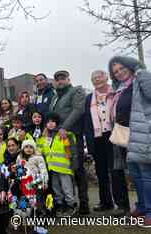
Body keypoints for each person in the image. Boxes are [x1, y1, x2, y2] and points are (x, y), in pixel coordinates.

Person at [111, 56, 151, 227]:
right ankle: (142, 207)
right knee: (135, 174)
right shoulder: (120, 88)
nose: (119, 73)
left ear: (129, 66)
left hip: (142, 133)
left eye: (121, 68)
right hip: (126, 136)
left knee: (146, 174)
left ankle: (150, 211)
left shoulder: (140, 79)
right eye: (115, 71)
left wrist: (140, 70)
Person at [49, 70, 89, 214]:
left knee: (77, 169)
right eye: (57, 79)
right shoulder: (54, 98)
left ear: (68, 79)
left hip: (71, 136)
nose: (60, 81)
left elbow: (78, 110)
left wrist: (64, 127)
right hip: (57, 138)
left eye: (62, 78)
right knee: (63, 171)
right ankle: (68, 202)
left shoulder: (76, 91)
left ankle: (84, 205)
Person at [84, 70, 121, 212]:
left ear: (106, 78)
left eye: (99, 77)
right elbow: (87, 121)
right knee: (101, 172)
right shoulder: (89, 98)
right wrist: (89, 142)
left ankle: (121, 204)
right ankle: (105, 202)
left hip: (114, 135)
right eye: (93, 78)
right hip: (97, 137)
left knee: (116, 171)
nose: (96, 80)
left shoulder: (115, 93)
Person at [37, 112, 77, 217]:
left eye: (53, 122)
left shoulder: (64, 134)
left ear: (57, 123)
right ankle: (60, 205)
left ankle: (71, 205)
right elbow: (39, 152)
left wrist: (74, 164)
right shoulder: (43, 137)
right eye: (48, 122)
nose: (50, 124)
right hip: (52, 168)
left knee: (67, 188)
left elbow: (72, 149)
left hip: (64, 168)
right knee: (56, 188)